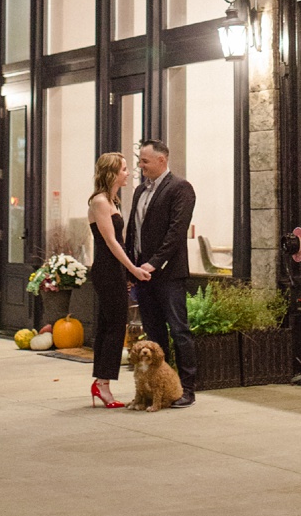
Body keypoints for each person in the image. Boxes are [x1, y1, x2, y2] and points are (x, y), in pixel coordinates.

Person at [124, 138, 198, 407]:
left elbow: (176, 232)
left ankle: (187, 389)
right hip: (142, 273)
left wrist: (153, 263)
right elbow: (134, 230)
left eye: (144, 160)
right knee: (154, 334)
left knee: (179, 330)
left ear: (162, 160)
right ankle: (157, 389)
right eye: (139, 161)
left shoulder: (180, 188)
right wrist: (132, 266)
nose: (140, 166)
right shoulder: (139, 191)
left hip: (168, 273)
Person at [87, 151, 152, 408]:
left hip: (114, 270)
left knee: (111, 326)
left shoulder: (112, 200)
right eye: (124, 169)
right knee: (114, 327)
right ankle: (103, 384)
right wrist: (133, 270)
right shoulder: (101, 201)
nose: (128, 172)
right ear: (112, 172)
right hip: (106, 269)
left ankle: (101, 382)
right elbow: (111, 242)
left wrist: (126, 272)